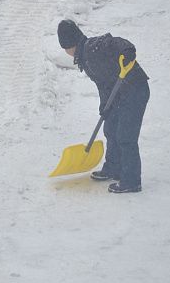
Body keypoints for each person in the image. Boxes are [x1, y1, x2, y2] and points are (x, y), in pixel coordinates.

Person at [57, 19, 149, 193]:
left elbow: (116, 42)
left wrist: (127, 51)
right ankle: (114, 168)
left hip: (135, 91)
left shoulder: (93, 47)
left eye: (64, 47)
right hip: (119, 94)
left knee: (125, 136)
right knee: (111, 129)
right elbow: (104, 83)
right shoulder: (85, 58)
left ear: (69, 44)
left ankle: (131, 181)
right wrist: (104, 105)